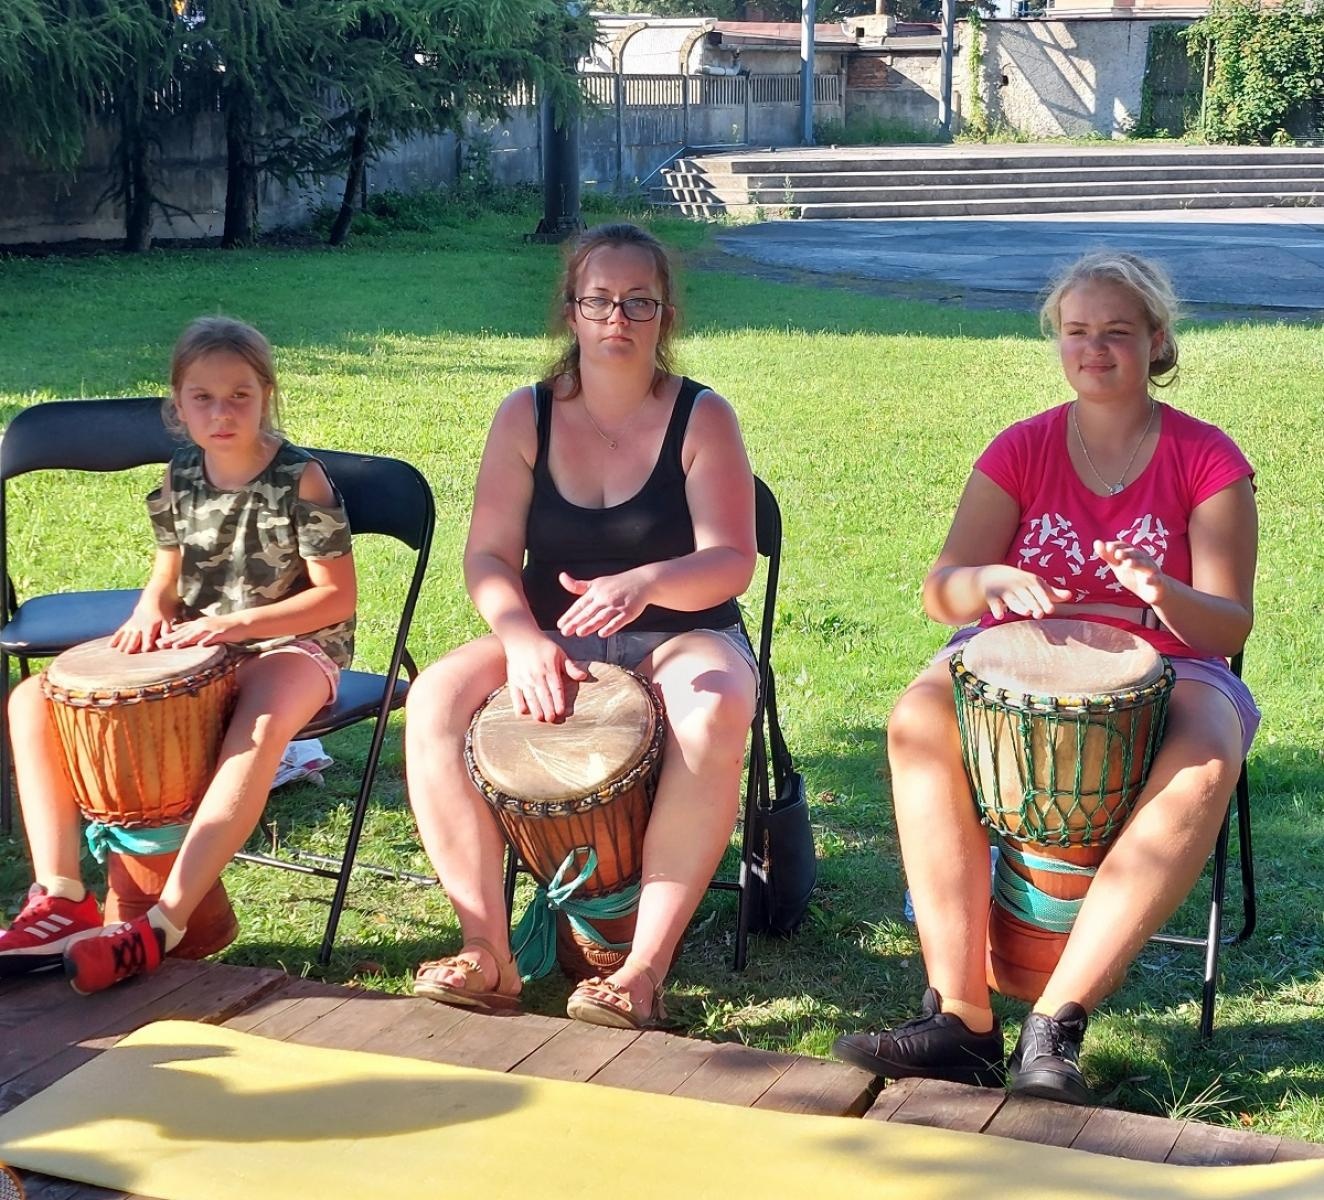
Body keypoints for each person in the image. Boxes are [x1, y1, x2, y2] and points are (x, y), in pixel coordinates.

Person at [834, 251, 1258, 1104]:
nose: (1093, 349)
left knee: (1209, 754)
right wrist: (988, 583)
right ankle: (960, 1017)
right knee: (918, 719)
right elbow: (942, 586)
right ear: (1056, 342)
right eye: (1076, 332)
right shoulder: (1023, 447)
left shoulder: (1208, 459)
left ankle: (1055, 1025)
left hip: (1170, 658)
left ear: (1156, 341)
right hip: (1012, 656)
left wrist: (1160, 589)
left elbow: (1228, 622)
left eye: (1115, 333)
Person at [406, 222, 758, 1028]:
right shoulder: (525, 415)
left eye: (640, 303)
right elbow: (490, 556)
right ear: (571, 311)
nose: (618, 320)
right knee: (432, 699)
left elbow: (732, 558)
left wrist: (647, 583)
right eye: (599, 300)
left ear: (666, 317)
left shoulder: (703, 417)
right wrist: (522, 637)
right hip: (552, 636)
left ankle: (641, 971)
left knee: (711, 708)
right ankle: (485, 952)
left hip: (683, 633)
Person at [0, 316, 356, 993]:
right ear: (177, 402)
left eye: (239, 396)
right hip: (202, 639)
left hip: (293, 642)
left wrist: (238, 625)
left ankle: (165, 921)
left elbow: (334, 599)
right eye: (203, 398)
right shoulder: (181, 472)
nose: (221, 413)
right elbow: (167, 576)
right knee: (32, 699)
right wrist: (149, 610)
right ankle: (62, 893)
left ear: (266, 395)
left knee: (257, 727)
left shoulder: (299, 478)